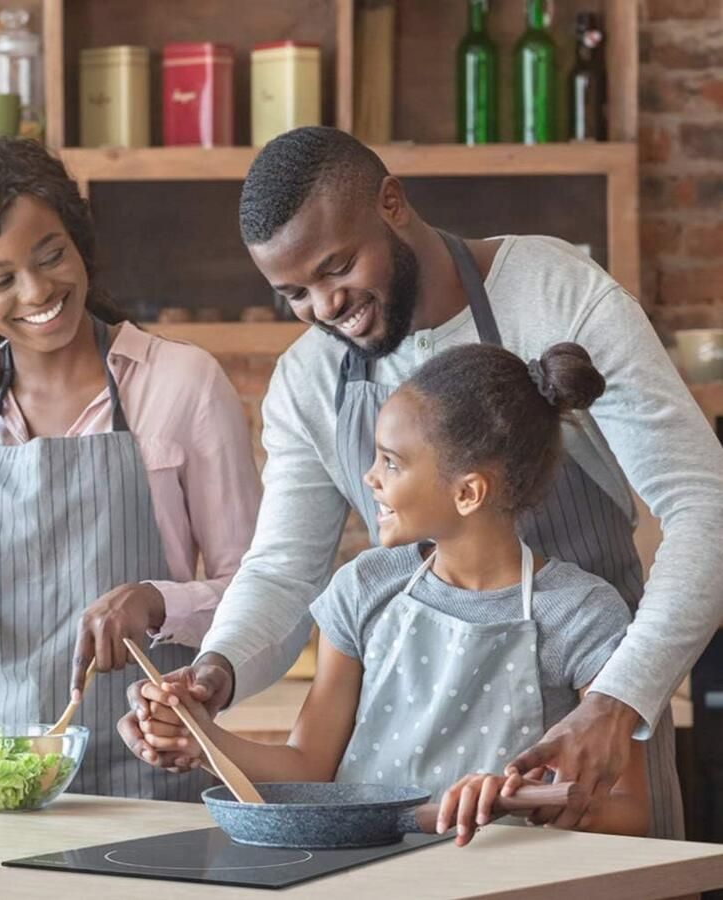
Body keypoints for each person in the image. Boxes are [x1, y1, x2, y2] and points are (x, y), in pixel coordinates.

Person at [120, 126, 723, 837]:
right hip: (414, 817)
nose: (325, 308)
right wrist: (213, 676)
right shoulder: (309, 381)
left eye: (337, 267)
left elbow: (705, 505)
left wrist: (616, 701)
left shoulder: (555, 295)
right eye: (295, 294)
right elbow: (284, 570)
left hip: (596, 739)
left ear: (393, 203)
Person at [135, 342, 650, 845]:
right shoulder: (365, 587)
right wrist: (201, 738)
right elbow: (309, 769)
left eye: (391, 462)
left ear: (468, 492)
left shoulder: (580, 613)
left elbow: (630, 812)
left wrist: (517, 801)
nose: (370, 477)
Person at [0, 133, 260, 800]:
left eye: (51, 255)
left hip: (151, 768)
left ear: (78, 240)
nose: (38, 290)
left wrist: (157, 601)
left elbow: (259, 592)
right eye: (0, 280)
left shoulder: (181, 384)